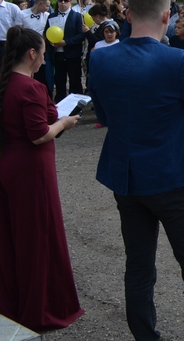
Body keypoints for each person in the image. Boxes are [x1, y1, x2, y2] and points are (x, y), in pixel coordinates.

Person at [89, 0, 184, 340]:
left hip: (126, 177)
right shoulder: (177, 60)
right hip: (173, 176)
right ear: (167, 16)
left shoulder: (100, 58)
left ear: (127, 16)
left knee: (138, 264)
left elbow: (103, 114)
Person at [0, 26, 82, 332]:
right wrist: (63, 123)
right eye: (43, 54)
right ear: (32, 54)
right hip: (31, 170)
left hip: (9, 164)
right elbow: (38, 135)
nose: (45, 60)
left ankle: (13, 302)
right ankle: (40, 308)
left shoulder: (8, 83)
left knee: (13, 237)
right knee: (39, 237)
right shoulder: (29, 88)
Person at [46, 0, 88, 102]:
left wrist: (66, 42)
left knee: (75, 81)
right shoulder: (52, 16)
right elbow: (47, 33)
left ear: (70, 2)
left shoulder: (77, 16)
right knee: (59, 81)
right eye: (60, 0)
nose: (63, 3)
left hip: (72, 54)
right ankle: (60, 104)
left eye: (66, 0)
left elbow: (82, 35)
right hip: (57, 54)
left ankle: (76, 105)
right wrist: (52, 42)